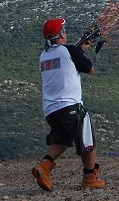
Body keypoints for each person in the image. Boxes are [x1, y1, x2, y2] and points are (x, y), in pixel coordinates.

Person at [31, 18, 105, 191]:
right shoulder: (69, 51)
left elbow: (65, 60)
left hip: (51, 110)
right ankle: (89, 177)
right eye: (64, 31)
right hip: (70, 105)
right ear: (61, 34)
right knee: (88, 140)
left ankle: (43, 166)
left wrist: (80, 49)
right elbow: (89, 69)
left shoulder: (44, 55)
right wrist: (80, 52)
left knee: (63, 139)